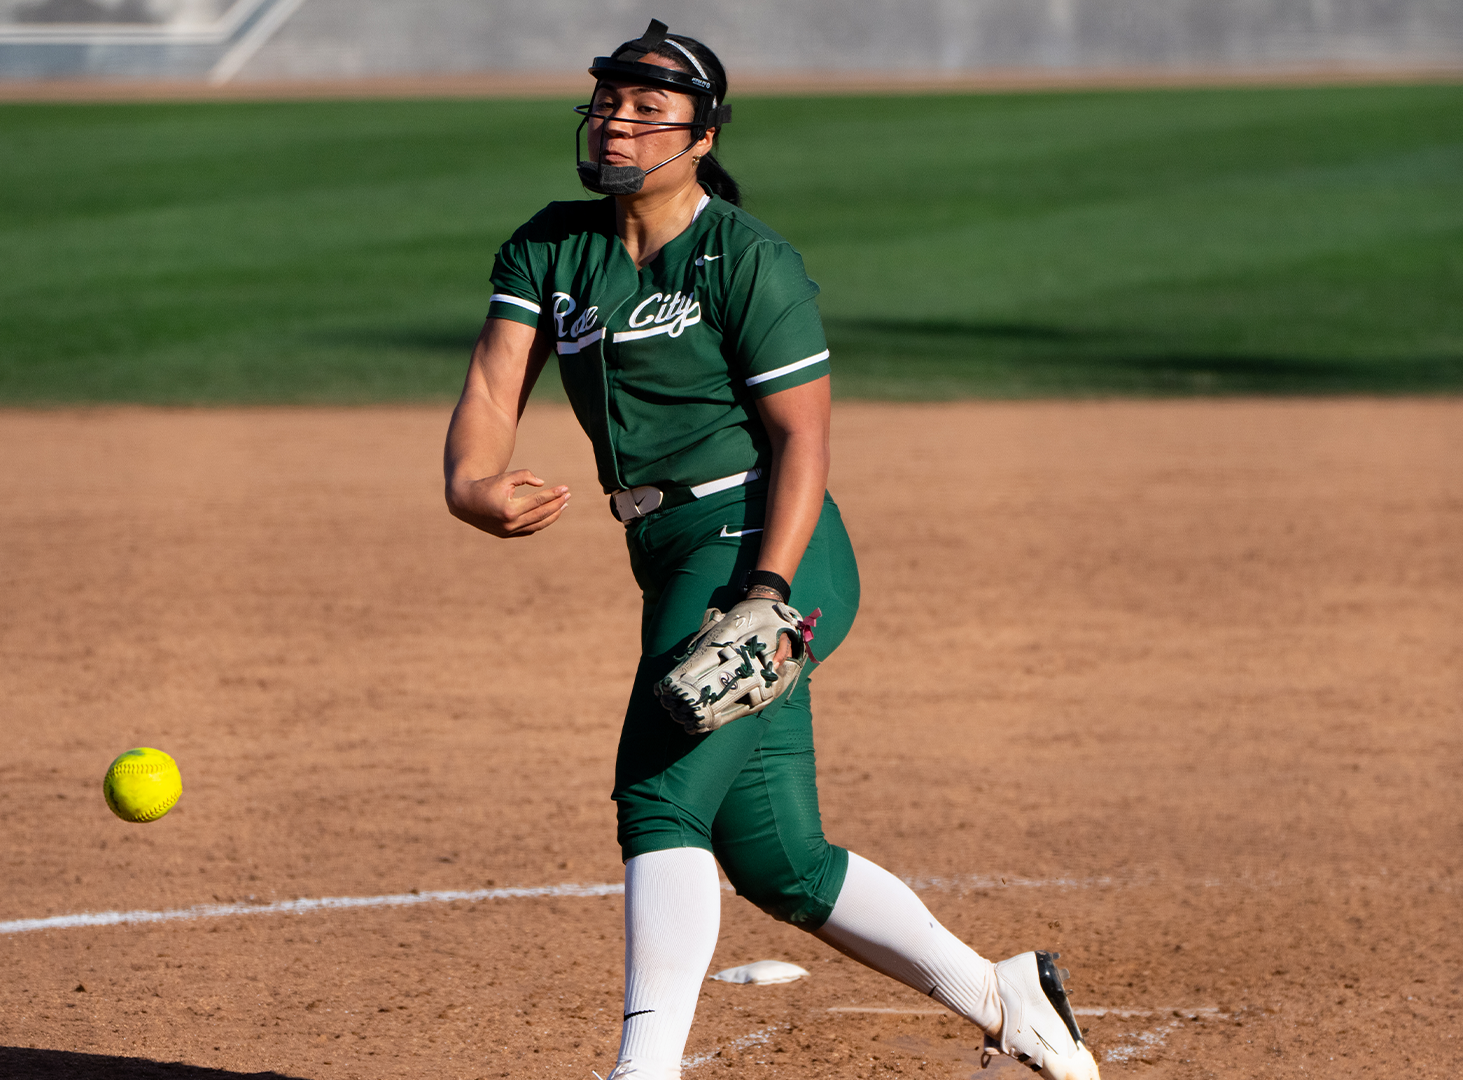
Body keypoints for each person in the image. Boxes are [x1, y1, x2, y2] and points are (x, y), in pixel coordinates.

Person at [442, 19, 1102, 1080]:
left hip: (763, 539)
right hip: (667, 546)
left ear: (701, 136)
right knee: (778, 859)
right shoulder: (548, 247)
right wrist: (470, 485)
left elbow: (803, 441)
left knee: (658, 784)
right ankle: (1007, 997)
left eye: (646, 109)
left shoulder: (748, 260)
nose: (617, 121)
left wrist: (770, 593)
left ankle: (640, 1072)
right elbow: (488, 391)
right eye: (609, 101)